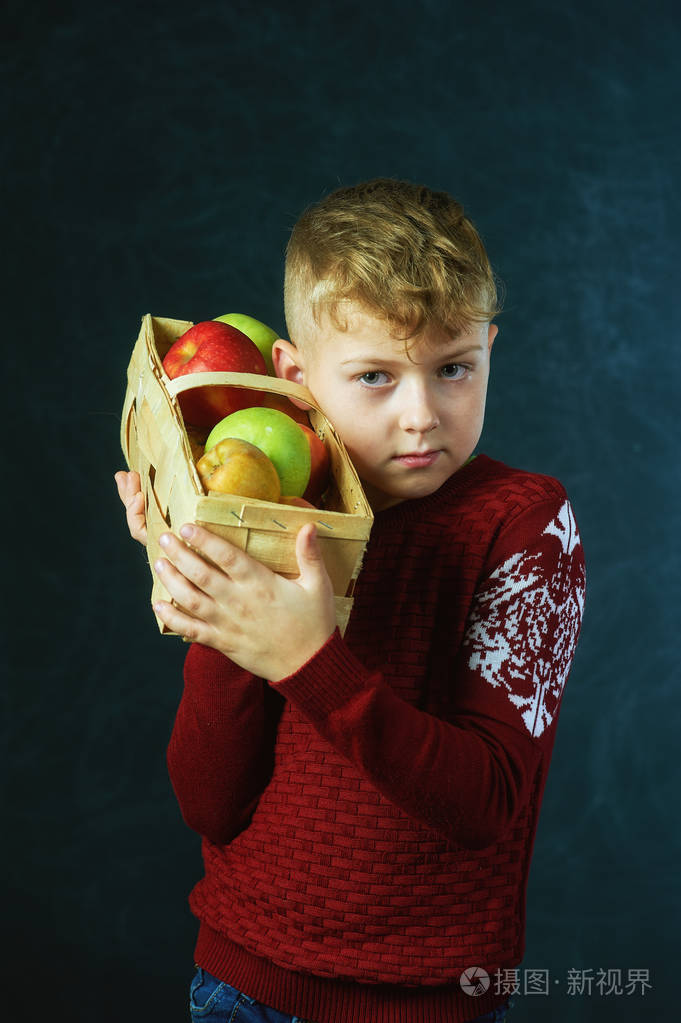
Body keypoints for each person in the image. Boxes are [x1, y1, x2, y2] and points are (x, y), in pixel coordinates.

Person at [115, 178, 586, 1023]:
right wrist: (214, 597)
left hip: (429, 1002)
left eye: (453, 369)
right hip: (238, 984)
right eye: (373, 375)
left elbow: (483, 803)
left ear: (488, 349)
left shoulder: (525, 526)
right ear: (294, 375)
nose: (420, 416)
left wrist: (305, 659)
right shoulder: (266, 511)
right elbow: (210, 805)